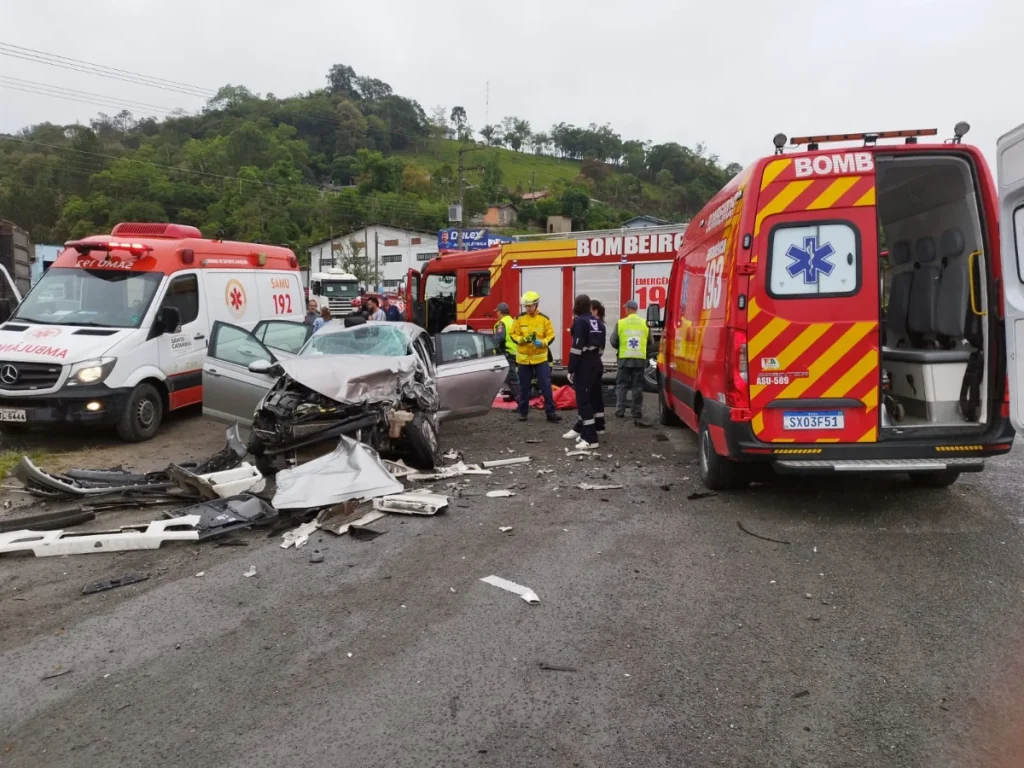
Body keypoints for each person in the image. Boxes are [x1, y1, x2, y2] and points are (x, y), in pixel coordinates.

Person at [510, 291, 560, 423]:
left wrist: (543, 342)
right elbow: (513, 334)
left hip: (540, 359)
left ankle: (551, 413)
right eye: (526, 306)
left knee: (546, 386)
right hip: (524, 360)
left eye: (530, 306)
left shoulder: (544, 319)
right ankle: (523, 412)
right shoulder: (519, 318)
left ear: (536, 304)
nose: (527, 308)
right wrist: (522, 339)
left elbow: (551, 335)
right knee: (524, 387)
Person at [565, 293, 606, 449]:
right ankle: (598, 427)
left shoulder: (580, 322)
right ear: (589, 306)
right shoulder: (598, 323)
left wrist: (571, 369)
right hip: (596, 363)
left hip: (585, 365)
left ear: (577, 306)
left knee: (583, 400)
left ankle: (590, 438)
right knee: (595, 396)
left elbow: (576, 349)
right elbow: (601, 348)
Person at [613, 299, 650, 425]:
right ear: (636, 310)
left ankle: (620, 411)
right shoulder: (645, 323)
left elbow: (613, 341)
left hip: (624, 359)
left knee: (622, 385)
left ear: (628, 309)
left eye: (625, 308)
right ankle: (636, 412)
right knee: (637, 387)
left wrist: (621, 346)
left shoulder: (621, 323)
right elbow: (650, 341)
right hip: (639, 360)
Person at [492, 302, 519, 401]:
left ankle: (521, 402)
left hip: (507, 353)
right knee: (515, 377)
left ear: (500, 312)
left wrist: (491, 348)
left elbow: (498, 339)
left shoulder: (501, 323)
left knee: (512, 379)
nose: (496, 313)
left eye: (497, 311)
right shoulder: (513, 321)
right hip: (516, 353)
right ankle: (517, 398)